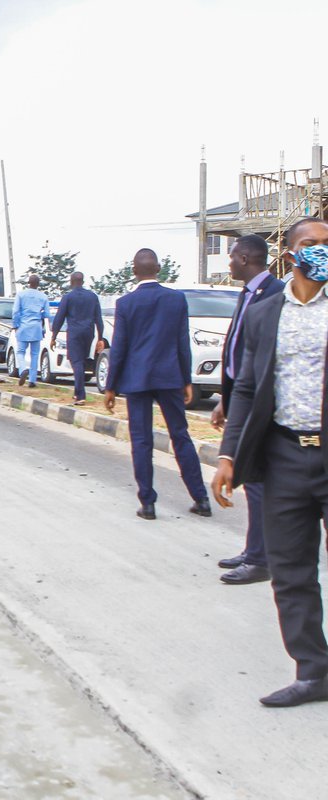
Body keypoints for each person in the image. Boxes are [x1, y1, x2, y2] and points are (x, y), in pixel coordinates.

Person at [212, 217, 328, 707]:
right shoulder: (266, 314)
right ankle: (313, 673)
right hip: (283, 455)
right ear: (291, 251)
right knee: (290, 570)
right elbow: (246, 387)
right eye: (312, 244)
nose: (321, 251)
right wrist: (228, 455)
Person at [104, 248, 210, 521]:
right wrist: (187, 380)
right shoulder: (176, 299)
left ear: (133, 270)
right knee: (180, 436)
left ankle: (147, 503)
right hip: (169, 377)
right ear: (159, 268)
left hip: (137, 380)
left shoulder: (126, 303)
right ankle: (201, 498)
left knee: (141, 441)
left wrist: (111, 386)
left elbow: (120, 348)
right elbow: (182, 343)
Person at [210, 234, 284, 585]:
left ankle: (261, 558)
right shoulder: (248, 292)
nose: (228, 263)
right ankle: (254, 550)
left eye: (231, 257)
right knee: (251, 479)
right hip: (242, 396)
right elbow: (239, 351)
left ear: (243, 258)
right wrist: (227, 400)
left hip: (263, 405)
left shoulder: (276, 294)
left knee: (255, 479)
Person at [49, 272, 104, 405]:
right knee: (81, 361)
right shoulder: (92, 296)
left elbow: (59, 318)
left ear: (71, 281)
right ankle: (76, 392)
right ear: (83, 281)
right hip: (89, 332)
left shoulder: (68, 297)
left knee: (76, 362)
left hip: (74, 332)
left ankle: (80, 395)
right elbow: (98, 318)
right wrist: (100, 338)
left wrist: (54, 336)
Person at [12, 274, 50, 387]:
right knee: (35, 354)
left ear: (28, 283)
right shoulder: (43, 297)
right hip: (36, 328)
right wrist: (39, 314)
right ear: (38, 284)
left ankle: (23, 369)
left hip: (23, 326)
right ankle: (32, 380)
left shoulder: (21, 295)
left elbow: (15, 312)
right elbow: (47, 314)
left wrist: (15, 325)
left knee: (20, 352)